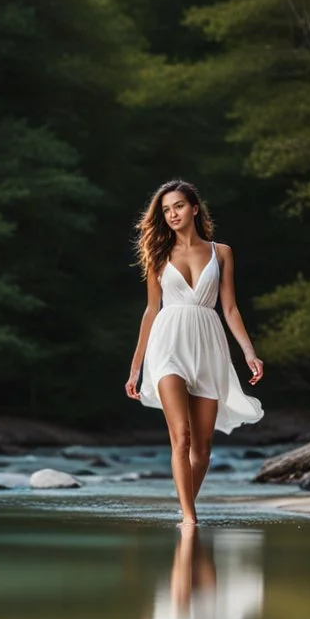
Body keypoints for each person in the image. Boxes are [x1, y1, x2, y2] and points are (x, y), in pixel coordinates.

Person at [125, 179, 264, 527]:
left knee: (202, 448)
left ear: (195, 208)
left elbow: (230, 309)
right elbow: (151, 310)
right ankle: (189, 517)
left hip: (207, 346)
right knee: (181, 437)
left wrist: (249, 353)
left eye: (178, 207)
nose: (172, 214)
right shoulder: (158, 254)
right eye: (166, 210)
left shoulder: (222, 252)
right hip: (167, 343)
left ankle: (184, 504)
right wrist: (135, 368)